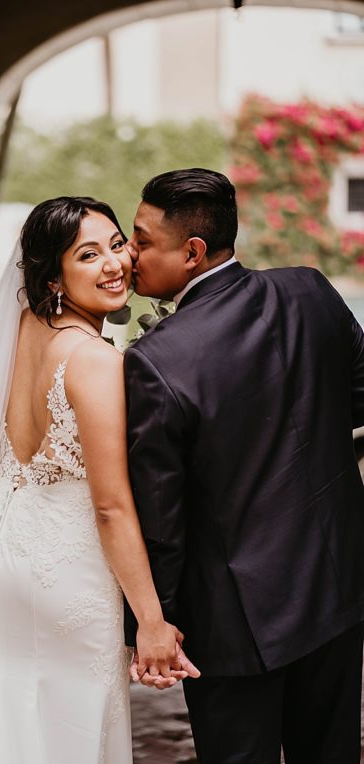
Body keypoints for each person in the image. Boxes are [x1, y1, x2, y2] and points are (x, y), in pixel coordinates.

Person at [0, 197, 197, 764]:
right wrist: (151, 619)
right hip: (66, 568)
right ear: (53, 275)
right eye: (88, 255)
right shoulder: (94, 359)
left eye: (117, 245)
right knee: (68, 724)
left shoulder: (21, 332)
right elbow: (111, 507)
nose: (114, 265)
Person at [124, 168, 364, 763]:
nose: (130, 256)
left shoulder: (156, 361)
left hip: (233, 622)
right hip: (335, 588)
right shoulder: (310, 289)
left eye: (143, 241)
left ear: (193, 252)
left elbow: (163, 517)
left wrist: (160, 621)